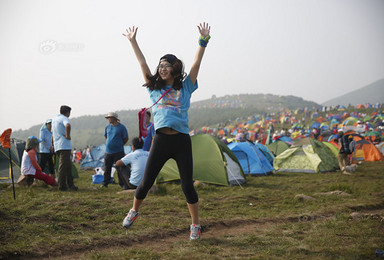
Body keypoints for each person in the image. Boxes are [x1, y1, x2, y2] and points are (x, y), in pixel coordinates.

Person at [122, 22, 211, 240]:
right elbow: (142, 62)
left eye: (166, 65)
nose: (161, 68)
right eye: (160, 65)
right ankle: (134, 211)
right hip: (160, 141)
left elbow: (197, 63)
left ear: (175, 68)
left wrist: (203, 41)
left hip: (181, 141)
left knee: (187, 186)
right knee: (145, 182)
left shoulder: (186, 87)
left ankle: (195, 226)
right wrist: (133, 42)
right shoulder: (154, 89)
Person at [52, 105, 78, 191]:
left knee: (68, 166)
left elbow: (53, 133)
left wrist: (53, 144)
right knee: (63, 166)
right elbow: (67, 126)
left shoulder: (54, 120)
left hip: (57, 146)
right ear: (67, 112)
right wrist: (68, 135)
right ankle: (62, 185)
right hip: (64, 145)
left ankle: (71, 184)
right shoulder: (64, 118)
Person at [102, 112, 129, 188]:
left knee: (119, 168)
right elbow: (106, 136)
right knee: (107, 168)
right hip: (108, 151)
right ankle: (105, 183)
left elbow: (126, 138)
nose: (109, 119)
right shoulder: (107, 127)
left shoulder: (121, 127)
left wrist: (119, 145)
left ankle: (122, 184)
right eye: (108, 118)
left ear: (115, 118)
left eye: (110, 117)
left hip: (118, 151)